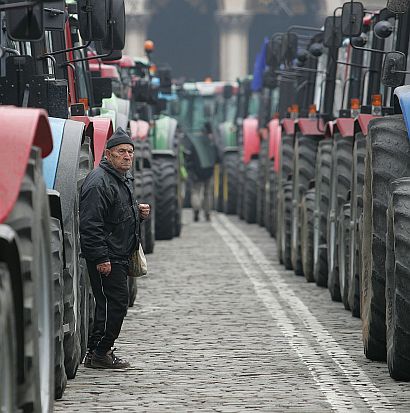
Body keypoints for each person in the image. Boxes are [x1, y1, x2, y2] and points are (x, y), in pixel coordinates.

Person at [79, 127, 150, 369]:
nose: (127, 156)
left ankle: (99, 351)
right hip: (108, 256)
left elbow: (115, 215)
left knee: (113, 304)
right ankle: (99, 352)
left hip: (118, 254)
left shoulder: (121, 179)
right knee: (113, 304)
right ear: (108, 154)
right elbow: (90, 225)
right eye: (122, 151)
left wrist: (138, 214)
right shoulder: (99, 183)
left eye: (130, 151)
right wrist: (101, 257)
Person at [185, 122, 217, 222]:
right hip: (209, 172)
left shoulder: (195, 143)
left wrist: (191, 170)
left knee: (196, 192)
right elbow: (218, 157)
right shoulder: (211, 143)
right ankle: (207, 214)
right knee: (207, 193)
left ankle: (196, 211)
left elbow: (189, 158)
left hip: (196, 173)